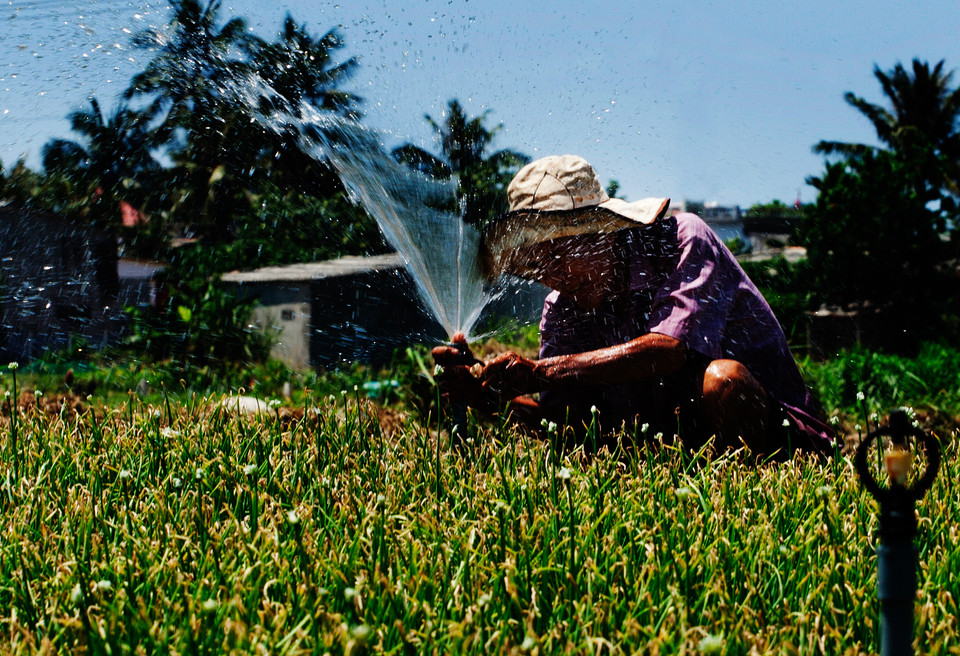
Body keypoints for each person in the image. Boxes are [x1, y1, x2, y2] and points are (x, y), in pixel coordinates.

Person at [433, 155, 834, 455]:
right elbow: (564, 424)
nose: (550, 273)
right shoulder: (562, 307)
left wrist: (538, 373)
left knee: (723, 381)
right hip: (680, 447)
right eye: (537, 261)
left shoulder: (683, 240)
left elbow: (669, 350)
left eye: (559, 251)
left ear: (603, 233)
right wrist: (487, 394)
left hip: (781, 438)